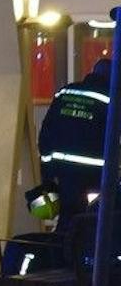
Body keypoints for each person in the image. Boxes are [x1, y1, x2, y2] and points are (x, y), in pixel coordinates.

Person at [37, 57, 114, 234]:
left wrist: (47, 169)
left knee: (68, 216)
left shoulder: (65, 93)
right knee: (93, 221)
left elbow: (47, 130)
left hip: (61, 171)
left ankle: (59, 251)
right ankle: (74, 255)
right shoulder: (110, 99)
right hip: (94, 174)